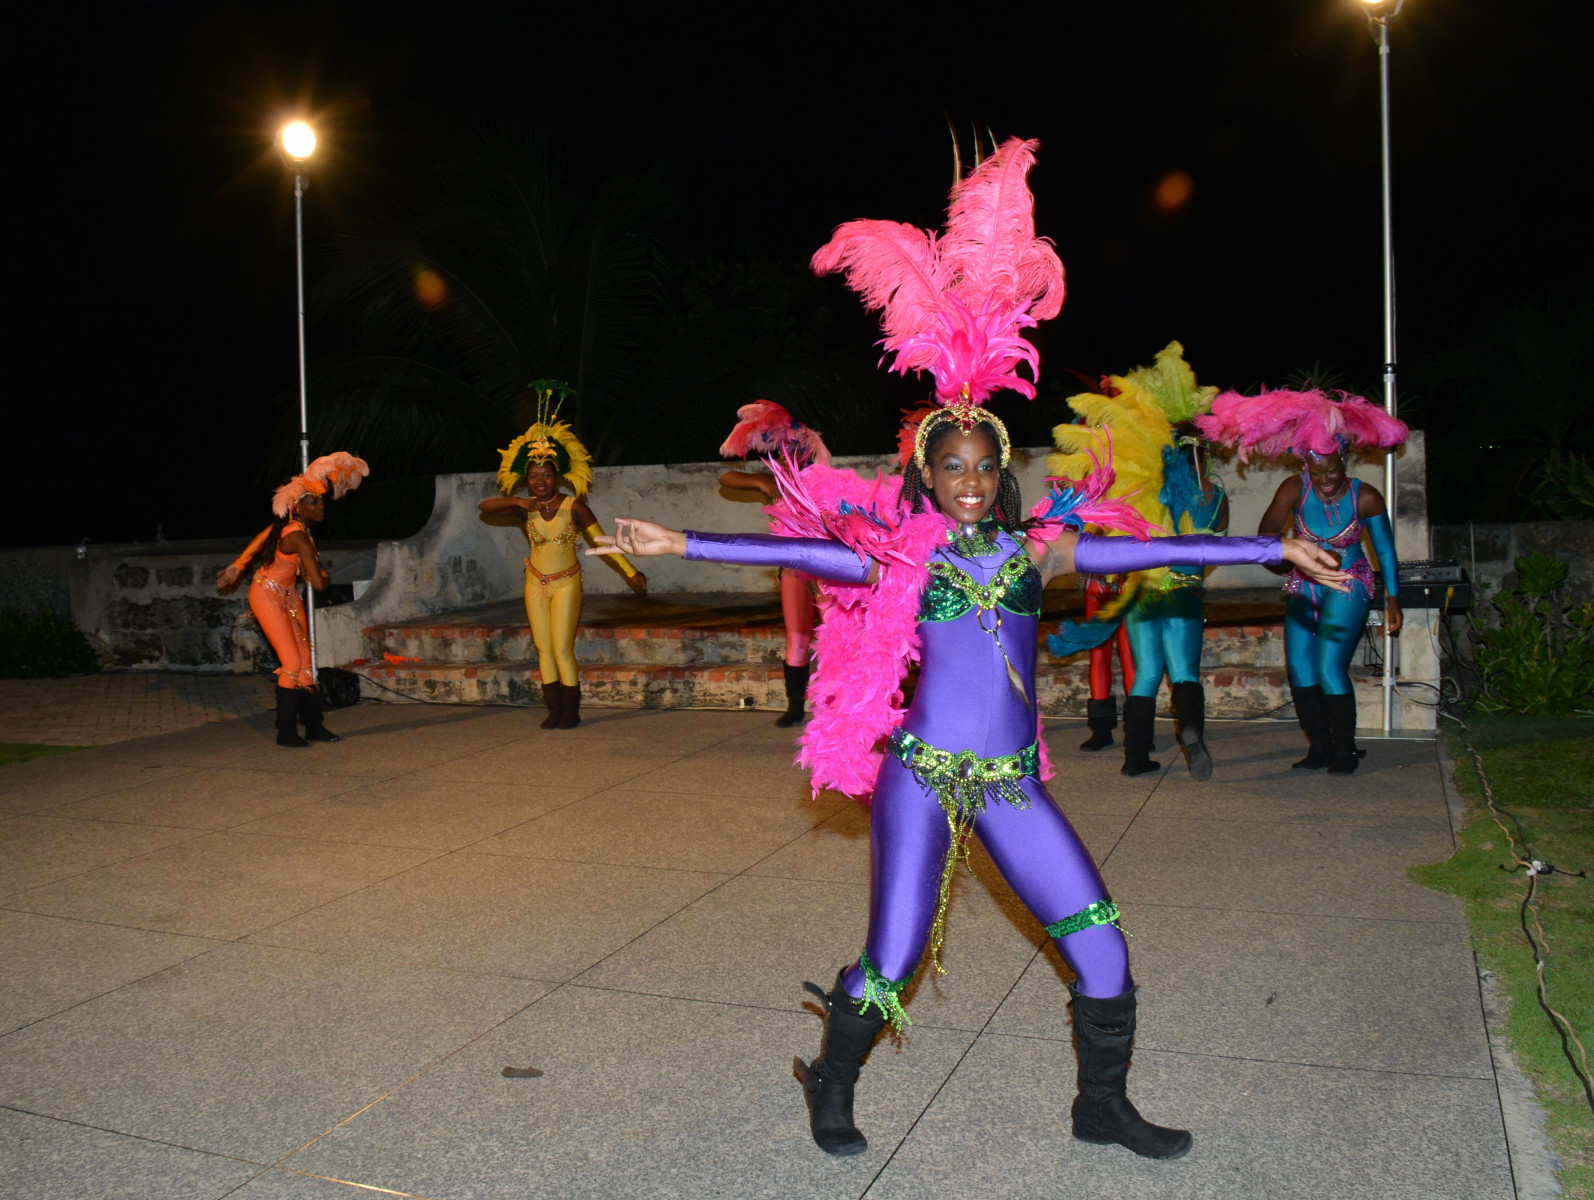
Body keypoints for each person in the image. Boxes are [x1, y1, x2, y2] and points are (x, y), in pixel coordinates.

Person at [593, 139, 1347, 1162]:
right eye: (952, 467)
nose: (971, 482)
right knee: (892, 961)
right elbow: (797, 550)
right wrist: (677, 541)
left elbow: (1159, 546)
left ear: (1002, 472)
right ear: (926, 474)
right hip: (923, 776)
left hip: (1010, 782)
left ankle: (1101, 1107)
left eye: (984, 466)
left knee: (1101, 943)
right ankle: (832, 1078)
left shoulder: (1039, 550)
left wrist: (1272, 546)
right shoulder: (895, 557)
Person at [1196, 388, 1406, 774]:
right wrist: (1292, 564)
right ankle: (1320, 748)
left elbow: (1386, 552)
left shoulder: (1367, 498)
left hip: (1347, 584)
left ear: (1344, 460)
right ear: (1306, 463)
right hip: (1304, 586)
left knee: (1329, 667)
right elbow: (1265, 541)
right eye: (1315, 471)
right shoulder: (1294, 488)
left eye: (1332, 471)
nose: (1324, 480)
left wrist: (1394, 598)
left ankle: (1344, 750)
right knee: (1300, 668)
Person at [1051, 344, 1227, 779]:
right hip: (1184, 591)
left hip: (1143, 591)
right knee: (1184, 672)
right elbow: (1217, 544)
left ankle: (1134, 757)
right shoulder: (1215, 496)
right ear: (1202, 453)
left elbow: (1120, 534)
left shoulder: (1144, 489)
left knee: (1146, 673)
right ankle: (1191, 731)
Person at [480, 382, 644, 730]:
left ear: (557, 477)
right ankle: (553, 709)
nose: (540, 481)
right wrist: (517, 501)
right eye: (534, 476)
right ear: (527, 479)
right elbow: (485, 506)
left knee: (562, 647)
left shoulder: (574, 507)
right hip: (535, 584)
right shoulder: (524, 508)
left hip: (567, 583)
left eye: (546, 475)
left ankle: (571, 710)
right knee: (543, 648)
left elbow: (602, 539)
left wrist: (630, 571)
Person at [217, 452, 369, 747]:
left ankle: (314, 726)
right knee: (291, 662)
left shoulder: (294, 528)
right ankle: (285, 731)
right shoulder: (297, 536)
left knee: (307, 663)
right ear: (297, 507)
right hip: (266, 593)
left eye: (321, 501)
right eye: (313, 502)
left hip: (287, 595)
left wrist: (239, 564)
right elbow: (319, 583)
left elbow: (263, 537)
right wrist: (323, 575)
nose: (320, 506)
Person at [717, 400, 831, 726]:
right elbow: (726, 477)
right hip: (792, 570)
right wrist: (760, 482)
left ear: (806, 453)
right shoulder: (774, 483)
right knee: (797, 640)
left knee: (834, 639)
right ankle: (795, 707)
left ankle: (835, 708)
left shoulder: (824, 483)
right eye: (780, 451)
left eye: (792, 450)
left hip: (827, 570)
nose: (785, 456)